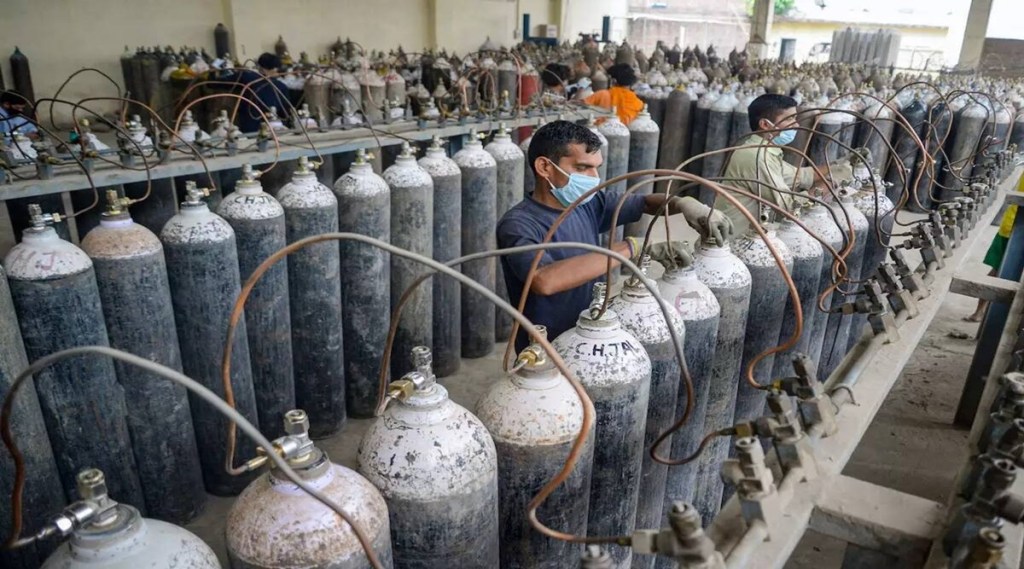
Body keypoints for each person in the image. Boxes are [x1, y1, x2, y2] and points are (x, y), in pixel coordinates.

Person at [497, 120, 732, 351]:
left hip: (592, 334)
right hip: (546, 347)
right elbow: (543, 281)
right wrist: (631, 247)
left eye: (596, 167)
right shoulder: (519, 224)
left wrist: (683, 203)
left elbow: (645, 203)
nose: (594, 178)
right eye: (582, 168)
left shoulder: (586, 203)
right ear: (544, 167)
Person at [718, 93, 864, 235]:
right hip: (736, 239)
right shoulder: (756, 156)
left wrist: (843, 163)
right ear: (765, 124)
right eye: (789, 119)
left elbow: (801, 175)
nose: (797, 124)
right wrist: (827, 185)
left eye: (795, 118)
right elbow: (788, 207)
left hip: (753, 233)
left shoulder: (766, 150)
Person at [966, 171, 1024, 322]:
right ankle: (980, 312)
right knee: (999, 270)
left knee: (998, 270)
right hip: (1015, 228)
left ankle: (980, 312)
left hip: (1014, 225)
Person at [227, 53, 290, 134]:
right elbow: (285, 114)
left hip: (250, 129)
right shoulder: (282, 87)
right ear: (275, 69)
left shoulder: (246, 76)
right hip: (275, 129)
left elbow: (218, 82)